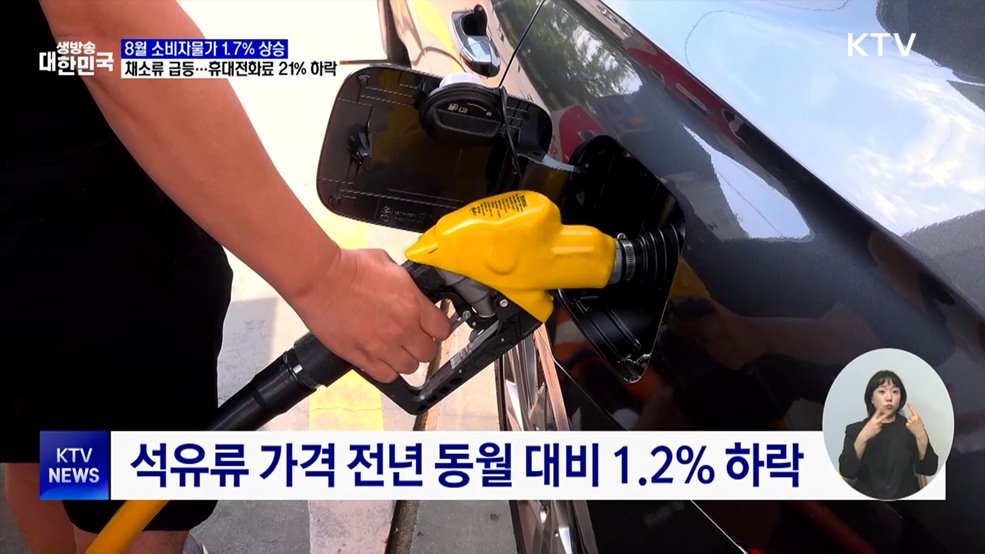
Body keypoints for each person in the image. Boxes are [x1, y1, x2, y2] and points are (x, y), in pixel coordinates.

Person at [2, 1, 452, 552]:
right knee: (131, 509)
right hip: (78, 227)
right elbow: (104, 27)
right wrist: (326, 279)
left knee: (44, 447)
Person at [838, 370, 939, 499]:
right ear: (871, 398)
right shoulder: (855, 430)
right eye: (882, 391)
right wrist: (863, 436)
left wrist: (921, 435)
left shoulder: (912, 427)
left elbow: (929, 469)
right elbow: (847, 471)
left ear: (900, 397)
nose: (889, 397)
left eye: (895, 392)